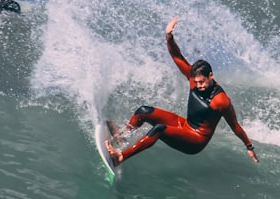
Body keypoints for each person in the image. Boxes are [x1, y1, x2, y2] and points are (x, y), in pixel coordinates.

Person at [106, 16, 259, 166]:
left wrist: (249, 146)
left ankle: (120, 157)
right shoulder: (193, 79)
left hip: (195, 140)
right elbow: (177, 56)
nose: (199, 85)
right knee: (143, 111)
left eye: (202, 82)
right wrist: (169, 36)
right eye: (196, 82)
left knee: (159, 129)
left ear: (211, 76)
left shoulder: (220, 100)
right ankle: (121, 136)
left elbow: (235, 125)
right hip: (184, 125)